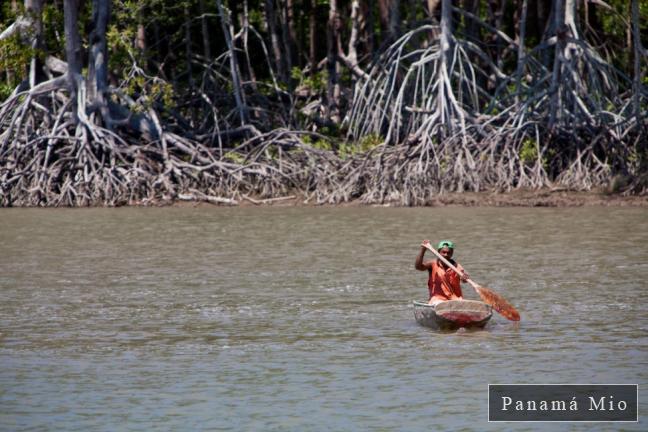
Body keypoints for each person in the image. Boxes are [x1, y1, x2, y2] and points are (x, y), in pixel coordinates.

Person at [415, 240, 469, 305]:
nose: (446, 255)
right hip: (437, 299)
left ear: (452, 253)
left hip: (455, 299)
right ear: (438, 252)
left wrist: (464, 278)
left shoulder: (457, 267)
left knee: (462, 304)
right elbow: (418, 267)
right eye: (443, 252)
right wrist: (423, 250)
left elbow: (463, 279)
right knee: (439, 304)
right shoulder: (432, 264)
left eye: (448, 253)